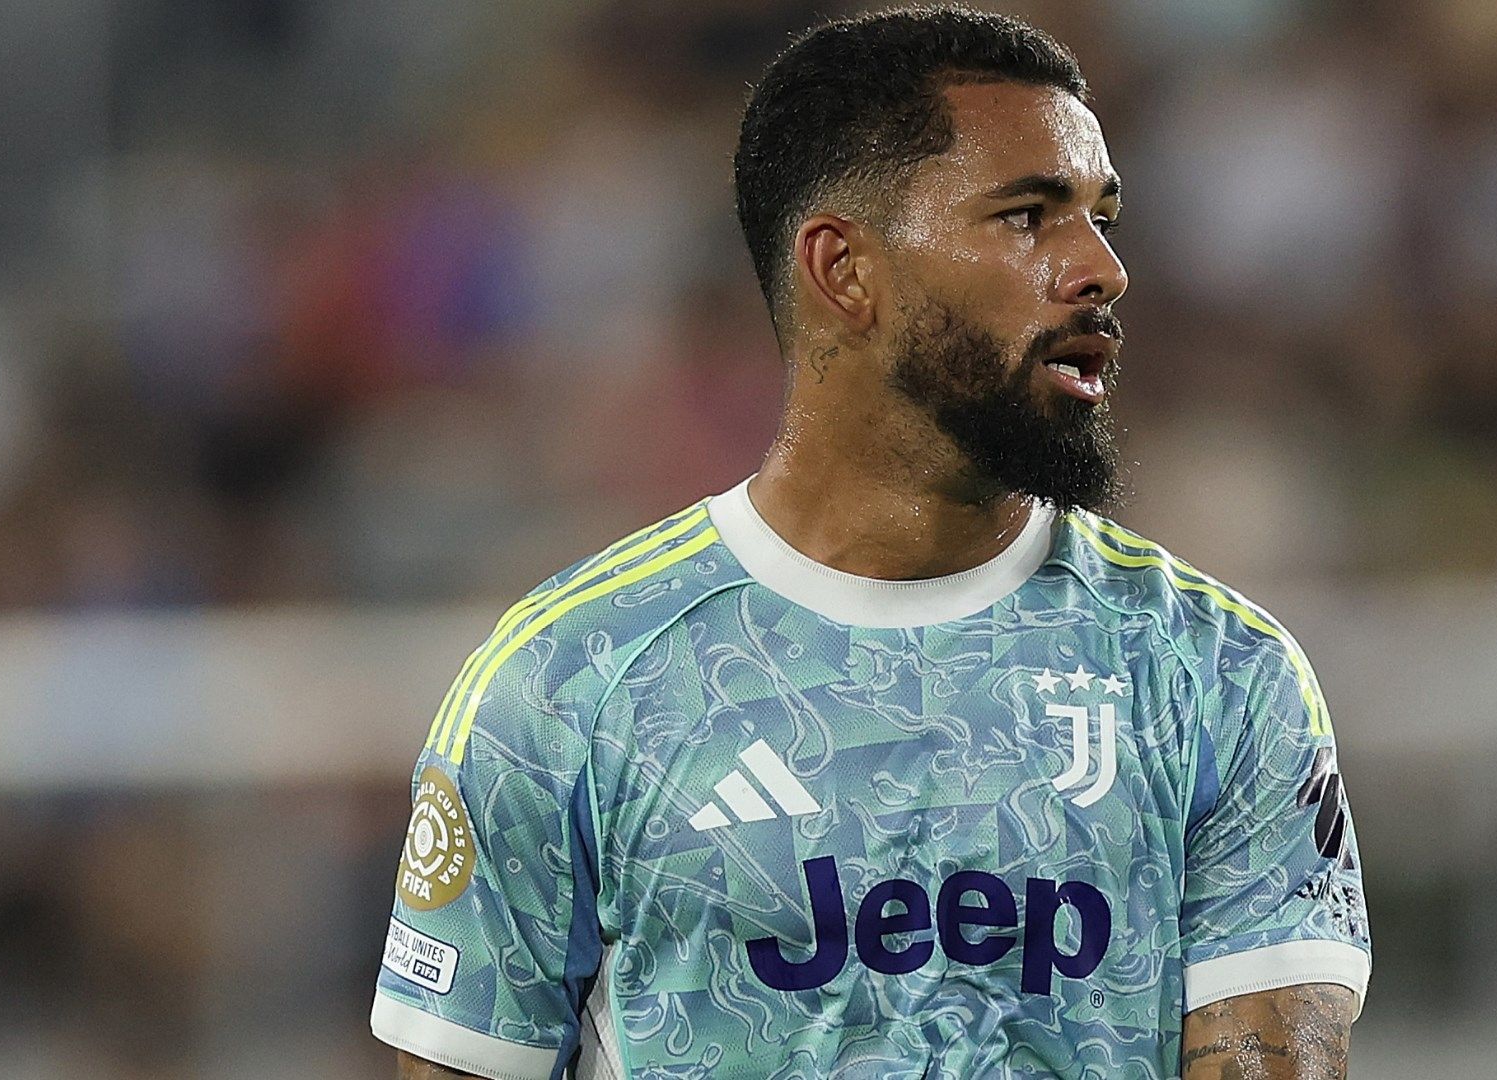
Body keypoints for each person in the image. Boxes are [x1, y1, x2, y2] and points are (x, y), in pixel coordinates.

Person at [370, 7, 1369, 1078]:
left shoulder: (1218, 676)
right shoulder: (569, 685)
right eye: (1028, 216)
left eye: (1101, 218)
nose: (1102, 268)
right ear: (844, 269)